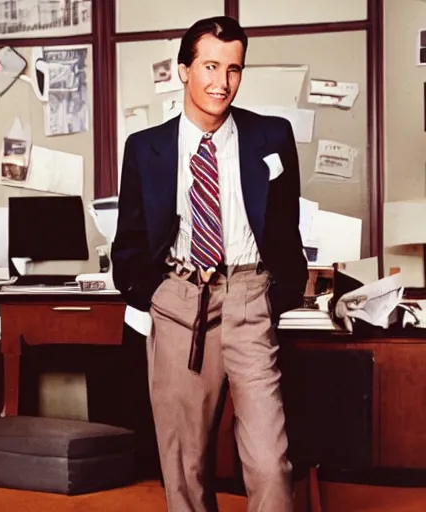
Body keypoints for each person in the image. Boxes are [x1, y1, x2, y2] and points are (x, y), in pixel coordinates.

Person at [112, 16, 309, 512]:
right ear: (183, 69)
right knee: (185, 466)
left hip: (248, 297)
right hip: (178, 300)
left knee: (269, 461)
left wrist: (272, 294)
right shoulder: (145, 148)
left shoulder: (272, 137)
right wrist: (156, 295)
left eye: (234, 69)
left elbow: (286, 229)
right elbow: (130, 243)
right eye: (210, 66)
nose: (222, 82)